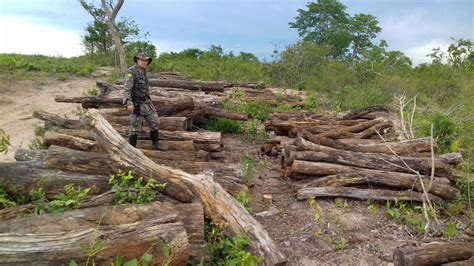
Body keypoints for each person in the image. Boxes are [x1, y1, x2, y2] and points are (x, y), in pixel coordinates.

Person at [123, 53, 166, 151]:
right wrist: (129, 103)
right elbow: (127, 89)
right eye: (141, 60)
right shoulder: (131, 71)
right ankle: (132, 149)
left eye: (146, 60)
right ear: (137, 60)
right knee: (135, 127)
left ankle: (155, 144)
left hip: (146, 102)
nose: (144, 62)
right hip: (136, 103)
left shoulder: (145, 71)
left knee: (155, 121)